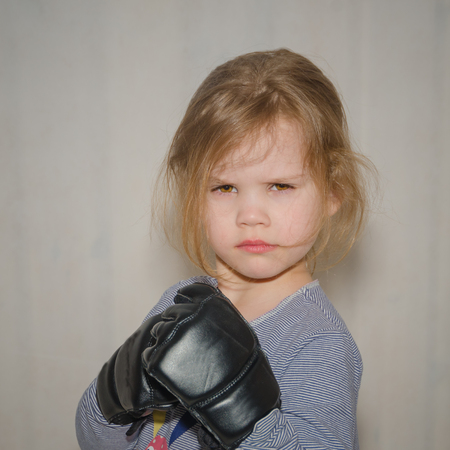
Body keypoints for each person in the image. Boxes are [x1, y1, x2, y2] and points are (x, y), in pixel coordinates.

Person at [76, 48, 374, 450]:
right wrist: (113, 394)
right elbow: (98, 442)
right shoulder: (178, 305)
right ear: (194, 196)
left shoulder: (318, 342)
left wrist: (244, 417)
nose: (250, 215)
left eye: (280, 186)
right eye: (225, 187)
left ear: (333, 191)